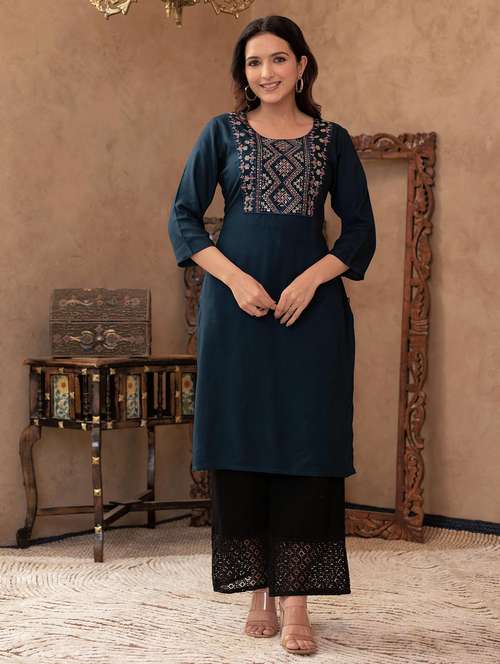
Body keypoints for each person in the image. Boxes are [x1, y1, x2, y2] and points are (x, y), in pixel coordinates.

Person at [168, 14, 376, 656]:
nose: (267, 73)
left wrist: (312, 279)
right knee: (243, 443)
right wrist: (235, 281)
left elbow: (359, 232)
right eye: (254, 63)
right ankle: (258, 589)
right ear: (244, 73)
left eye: (279, 59)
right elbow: (184, 219)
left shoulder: (333, 141)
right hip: (239, 315)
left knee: (308, 446)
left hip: (310, 317)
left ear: (302, 65)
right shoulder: (221, 133)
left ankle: (297, 600)